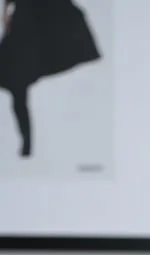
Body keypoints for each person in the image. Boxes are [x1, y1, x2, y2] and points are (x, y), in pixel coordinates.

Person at [0, 0, 100, 157]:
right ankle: (26, 144)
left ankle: (27, 144)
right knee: (18, 93)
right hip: (18, 34)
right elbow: (7, 4)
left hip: (28, 38)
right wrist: (5, 20)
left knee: (18, 92)